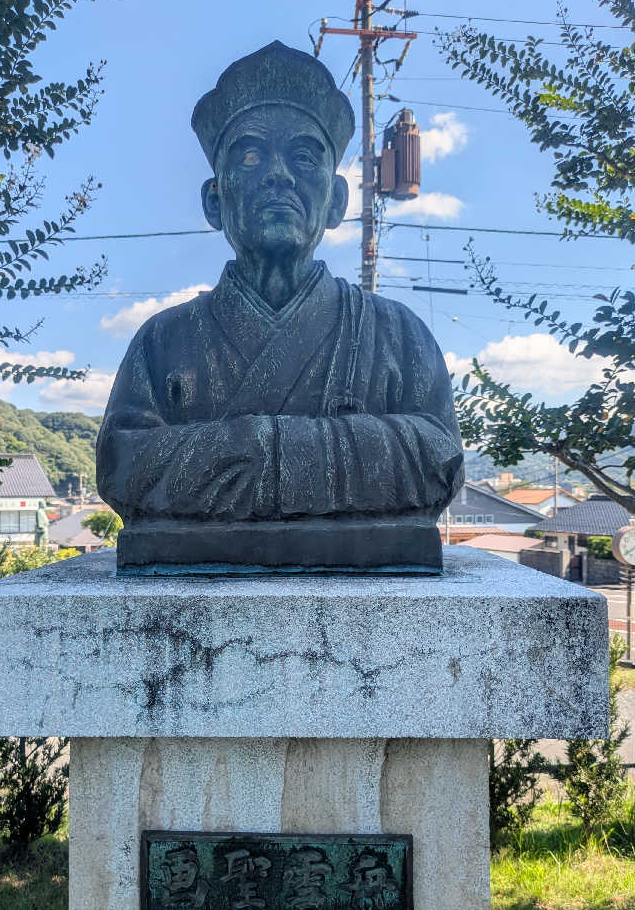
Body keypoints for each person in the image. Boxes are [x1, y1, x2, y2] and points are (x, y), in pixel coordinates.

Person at [97, 41, 463, 571]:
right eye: (248, 156)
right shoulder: (163, 342)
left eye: (303, 157)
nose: (278, 175)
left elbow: (438, 460)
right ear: (214, 201)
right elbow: (125, 469)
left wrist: (232, 453)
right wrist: (353, 453)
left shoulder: (399, 336)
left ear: (336, 201)